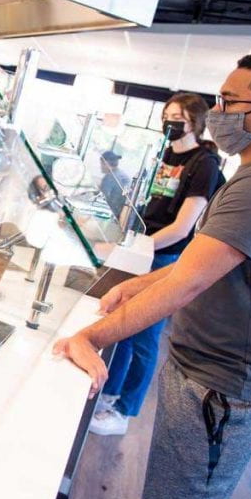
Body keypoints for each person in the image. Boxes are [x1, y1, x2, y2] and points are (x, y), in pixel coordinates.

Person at [54, 49, 251, 499]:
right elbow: (201, 265)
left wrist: (91, 336)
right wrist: (135, 287)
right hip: (218, 376)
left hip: (228, 384)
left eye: (229, 101)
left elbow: (187, 284)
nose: (218, 113)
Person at [90, 93, 224, 436]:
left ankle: (125, 410)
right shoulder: (164, 156)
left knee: (145, 336)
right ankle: (109, 394)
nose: (169, 121)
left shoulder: (204, 164)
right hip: (143, 249)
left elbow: (184, 225)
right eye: (166, 114)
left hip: (166, 255)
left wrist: (142, 245)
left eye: (177, 116)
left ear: (194, 122)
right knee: (123, 328)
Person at [98, 150, 131, 219]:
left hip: (110, 215)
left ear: (106, 163)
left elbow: (101, 199)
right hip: (121, 216)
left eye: (101, 164)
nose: (100, 166)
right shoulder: (123, 175)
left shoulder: (109, 177)